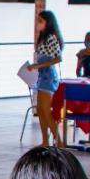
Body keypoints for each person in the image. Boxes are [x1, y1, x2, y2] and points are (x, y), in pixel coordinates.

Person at [26, 10, 63, 146]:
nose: (38, 24)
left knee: (46, 111)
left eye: (41, 21)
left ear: (48, 23)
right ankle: (45, 140)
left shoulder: (51, 37)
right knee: (40, 110)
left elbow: (58, 58)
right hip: (42, 76)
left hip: (48, 76)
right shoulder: (42, 38)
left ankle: (58, 141)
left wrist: (38, 65)